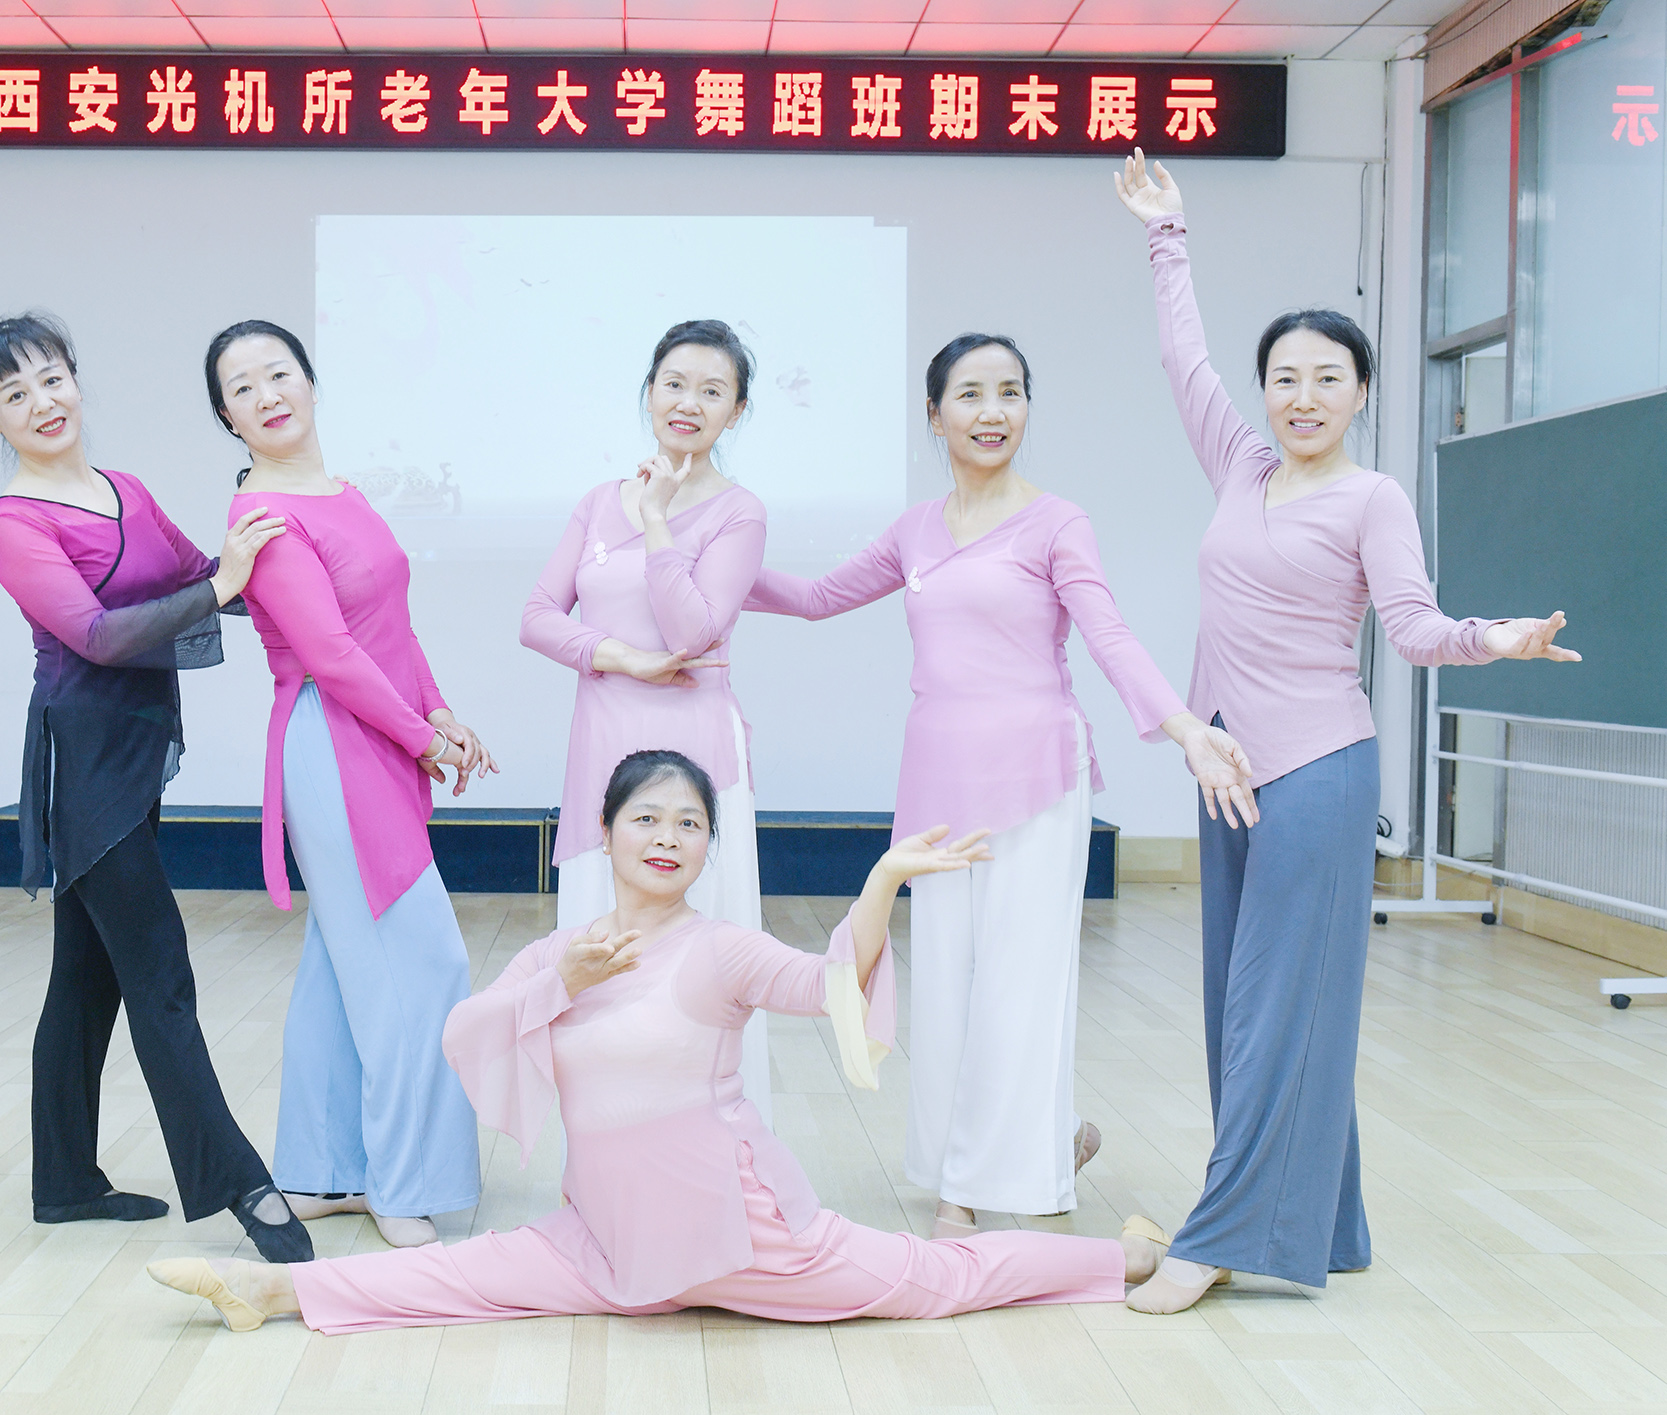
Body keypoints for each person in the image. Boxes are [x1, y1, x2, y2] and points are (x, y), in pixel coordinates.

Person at [147, 750, 1178, 1333]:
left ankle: (1123, 1255)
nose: (668, 837)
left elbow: (828, 987)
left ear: (706, 847)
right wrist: (561, 981)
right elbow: (466, 1037)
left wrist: (882, 882)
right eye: (647, 818)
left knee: (938, 1278)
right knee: (463, 1277)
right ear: (606, 832)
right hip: (609, 1240)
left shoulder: (719, 948)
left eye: (689, 824)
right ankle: (273, 1288)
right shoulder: (562, 949)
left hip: (750, 1237)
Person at [1112, 149, 1581, 1312]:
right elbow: (1180, 360)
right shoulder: (1239, 464)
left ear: (1360, 391)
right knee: (1240, 999)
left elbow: (1411, 628)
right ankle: (1326, 1220)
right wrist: (1166, 234)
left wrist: (1497, 637)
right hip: (1222, 766)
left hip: (1315, 771)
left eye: (1326, 376)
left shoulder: (1372, 498)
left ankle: (1222, 1233)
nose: (1301, 395)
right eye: (1283, 376)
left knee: (1272, 1003)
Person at [743, 334, 1257, 1242]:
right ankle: (1030, 1141)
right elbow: (817, 597)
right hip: (936, 777)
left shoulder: (1056, 522)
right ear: (933, 413)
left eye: (1010, 392)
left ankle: (974, 1183)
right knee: (945, 982)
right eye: (971, 394)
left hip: (1035, 776)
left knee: (1018, 983)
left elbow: (1107, 634)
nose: (992, 412)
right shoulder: (914, 529)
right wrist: (703, 562)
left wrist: (1184, 728)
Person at [0, 312, 313, 1262]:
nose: (42, 403)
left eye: (51, 379)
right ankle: (242, 1188)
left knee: (84, 977)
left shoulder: (125, 490)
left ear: (75, 380)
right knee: (159, 972)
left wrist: (296, 566)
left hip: (136, 744)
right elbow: (96, 634)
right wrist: (222, 584)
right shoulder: (15, 522)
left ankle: (62, 1182)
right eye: (14, 394)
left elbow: (212, 577)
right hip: (84, 761)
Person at [207, 318, 493, 1249]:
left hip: (374, 732)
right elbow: (329, 654)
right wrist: (420, 737)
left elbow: (388, 627)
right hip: (332, 745)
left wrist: (437, 709)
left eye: (278, 372)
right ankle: (401, 1186)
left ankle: (325, 1171)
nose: (266, 394)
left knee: (342, 964)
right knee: (421, 964)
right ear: (227, 417)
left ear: (311, 381)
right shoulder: (262, 516)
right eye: (242, 387)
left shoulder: (341, 493)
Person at [520, 318, 772, 1120]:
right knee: (601, 956)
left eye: (712, 390)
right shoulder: (598, 502)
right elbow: (536, 616)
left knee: (700, 964)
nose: (688, 402)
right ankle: (605, 1147)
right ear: (650, 392)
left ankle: (717, 1141)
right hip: (604, 752)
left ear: (736, 410)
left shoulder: (739, 513)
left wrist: (659, 520)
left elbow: (694, 629)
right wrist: (620, 656)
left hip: (695, 756)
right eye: (674, 384)